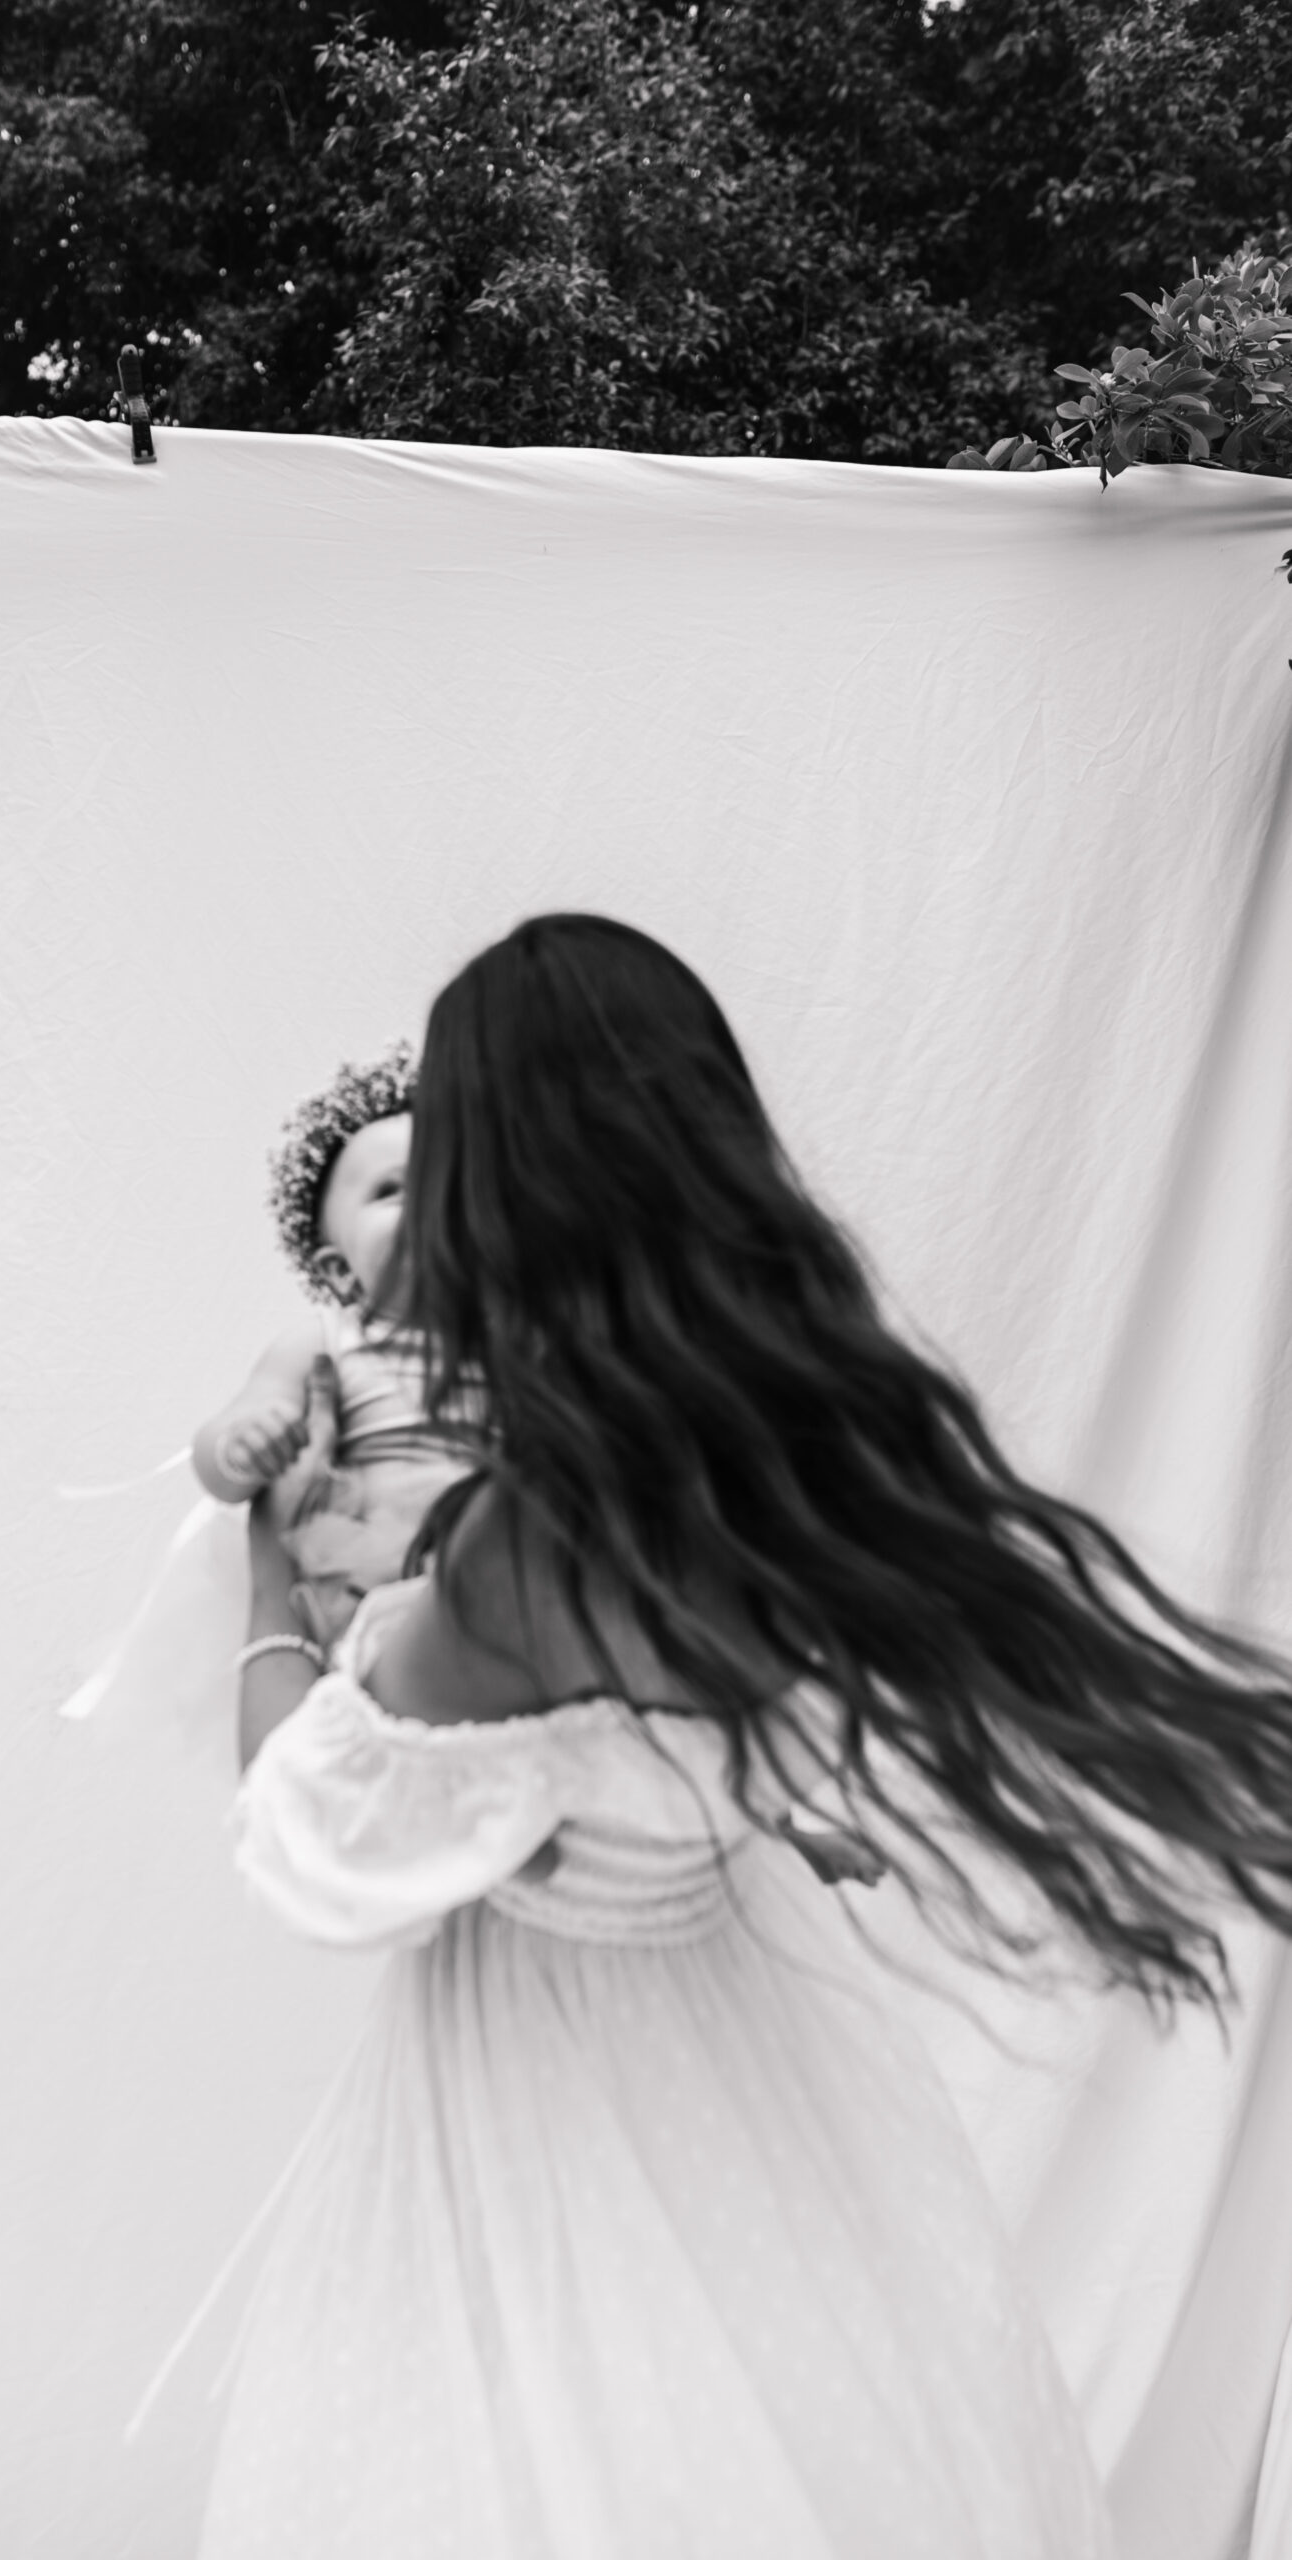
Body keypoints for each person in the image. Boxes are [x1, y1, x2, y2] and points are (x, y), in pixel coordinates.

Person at [191, 913, 1292, 2556]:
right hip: (750, 2065)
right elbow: (740, 1750)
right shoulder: (758, 1471)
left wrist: (267, 1573)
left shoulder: (524, 1548)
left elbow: (312, 1847)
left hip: (546, 2106)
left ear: (510, 1187)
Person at [191, 1038, 490, 1652]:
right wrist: (246, 1442)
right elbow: (219, 1455)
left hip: (492, 1567)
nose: (431, 1196)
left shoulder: (514, 1342)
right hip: (366, 1580)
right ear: (340, 1271)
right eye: (391, 1189)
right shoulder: (325, 1344)